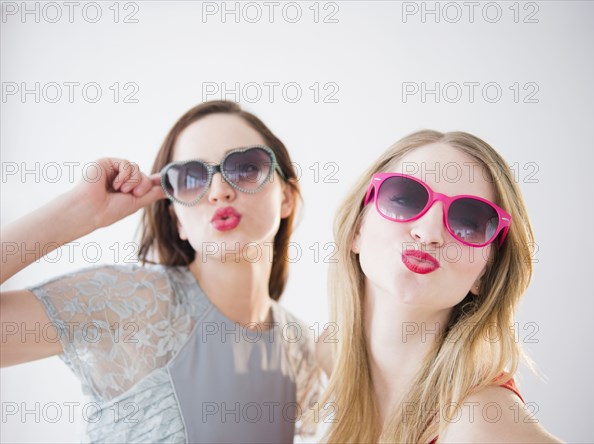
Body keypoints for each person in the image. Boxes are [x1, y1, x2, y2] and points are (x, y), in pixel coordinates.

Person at [1, 100, 320, 443]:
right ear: (176, 219)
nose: (219, 191)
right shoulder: (126, 304)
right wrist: (81, 211)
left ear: (287, 197)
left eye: (245, 168)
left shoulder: (299, 346)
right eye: (192, 178)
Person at [316, 130, 562, 443]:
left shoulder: (480, 421)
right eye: (404, 198)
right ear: (357, 230)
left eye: (468, 222)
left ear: (485, 275)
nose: (429, 232)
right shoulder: (319, 358)